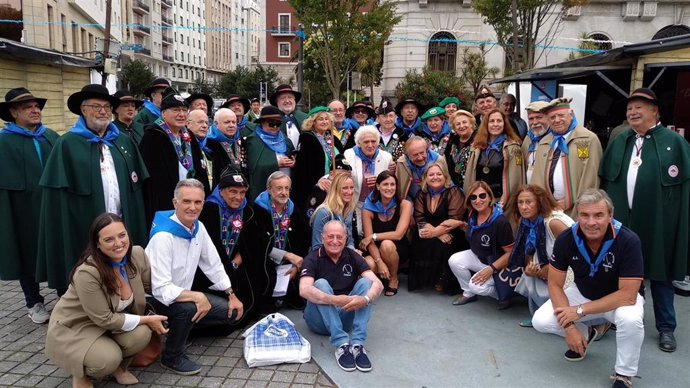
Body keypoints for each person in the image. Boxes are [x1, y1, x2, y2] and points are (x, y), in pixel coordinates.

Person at [600, 88, 690, 353]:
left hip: (659, 223)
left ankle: (666, 328)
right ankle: (628, 318)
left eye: (640, 107)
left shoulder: (675, 142)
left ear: (655, 111)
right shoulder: (620, 140)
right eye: (630, 108)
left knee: (660, 276)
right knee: (624, 274)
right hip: (624, 222)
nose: (633, 112)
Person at [37, 84, 149, 295]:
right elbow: (56, 197)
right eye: (96, 106)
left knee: (122, 264)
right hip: (84, 222)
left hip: (121, 219)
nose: (103, 111)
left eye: (107, 106)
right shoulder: (67, 144)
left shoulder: (122, 141)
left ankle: (125, 299)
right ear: (83, 110)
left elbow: (137, 185)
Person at [532, 189, 645, 388]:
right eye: (584, 215)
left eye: (599, 215)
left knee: (631, 320)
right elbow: (555, 284)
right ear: (577, 216)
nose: (591, 222)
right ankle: (586, 334)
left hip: (618, 300)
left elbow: (628, 295)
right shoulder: (567, 239)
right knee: (541, 321)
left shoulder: (628, 240)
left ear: (610, 215)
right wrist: (569, 328)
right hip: (584, 293)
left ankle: (624, 374)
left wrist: (579, 311)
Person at [45, 213, 168, 388]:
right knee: (106, 359)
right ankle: (82, 375)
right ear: (97, 244)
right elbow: (104, 319)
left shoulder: (137, 254)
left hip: (113, 321)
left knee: (142, 334)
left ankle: (119, 368)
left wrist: (188, 296)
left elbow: (152, 288)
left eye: (122, 235)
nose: (118, 243)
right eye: (109, 239)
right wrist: (148, 319)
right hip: (78, 325)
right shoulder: (87, 273)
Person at [146, 179, 244, 375]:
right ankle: (172, 356)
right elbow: (160, 288)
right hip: (154, 300)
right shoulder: (163, 237)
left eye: (198, 202)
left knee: (231, 313)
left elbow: (213, 264)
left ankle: (178, 328)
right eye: (186, 202)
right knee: (189, 308)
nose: (193, 207)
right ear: (175, 203)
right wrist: (197, 297)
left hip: (183, 295)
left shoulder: (197, 227)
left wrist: (231, 294)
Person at [0, 87, 58, 323]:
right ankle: (33, 301)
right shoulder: (4, 143)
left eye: (36, 106)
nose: (35, 110)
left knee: (58, 250)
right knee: (26, 253)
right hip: (22, 210)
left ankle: (65, 295)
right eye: (28, 107)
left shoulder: (51, 137)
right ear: (14, 112)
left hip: (53, 207)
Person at [299, 220, 384, 372]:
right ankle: (342, 345)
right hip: (318, 321)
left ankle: (357, 345)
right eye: (330, 236)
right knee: (321, 284)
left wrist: (365, 299)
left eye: (339, 237)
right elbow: (304, 290)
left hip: (344, 319)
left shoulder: (353, 256)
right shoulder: (312, 258)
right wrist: (333, 300)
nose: (335, 241)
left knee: (366, 283)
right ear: (322, 237)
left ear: (345, 239)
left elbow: (378, 284)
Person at [194, 167, 257, 328]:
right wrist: (228, 270)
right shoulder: (209, 209)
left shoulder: (247, 211)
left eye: (242, 192)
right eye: (233, 192)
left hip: (234, 265)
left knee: (248, 307)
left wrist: (234, 263)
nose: (238, 197)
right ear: (221, 191)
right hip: (208, 270)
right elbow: (209, 250)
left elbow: (249, 246)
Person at [503, 184, 574, 325]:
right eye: (520, 202)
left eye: (529, 202)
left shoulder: (553, 223)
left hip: (571, 270)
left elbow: (578, 252)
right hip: (550, 266)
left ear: (539, 203)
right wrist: (531, 269)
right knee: (528, 275)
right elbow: (529, 254)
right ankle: (541, 311)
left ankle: (595, 323)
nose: (523, 207)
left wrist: (554, 268)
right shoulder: (527, 223)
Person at [140, 88, 210, 225]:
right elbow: (150, 180)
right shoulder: (153, 136)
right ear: (163, 113)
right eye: (176, 110)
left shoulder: (188, 135)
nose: (181, 114)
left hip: (191, 201)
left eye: (184, 110)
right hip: (165, 203)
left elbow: (200, 167)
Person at [245, 171, 309, 312]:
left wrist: (295, 265)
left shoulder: (292, 208)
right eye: (279, 188)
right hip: (266, 260)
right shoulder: (257, 210)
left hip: (287, 264)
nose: (284, 193)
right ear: (269, 189)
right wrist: (286, 255)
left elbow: (303, 239)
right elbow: (258, 245)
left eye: (287, 188)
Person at [530, 97, 603, 216]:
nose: (557, 120)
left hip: (577, 209)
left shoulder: (588, 139)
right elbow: (537, 179)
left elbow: (591, 179)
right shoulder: (545, 143)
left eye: (561, 115)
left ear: (571, 114)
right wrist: (546, 204)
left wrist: (571, 201)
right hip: (549, 209)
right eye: (552, 117)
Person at [448, 181, 514, 307]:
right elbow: (476, 232)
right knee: (454, 260)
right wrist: (461, 224)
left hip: (497, 264)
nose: (478, 200)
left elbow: (511, 253)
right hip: (480, 258)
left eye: (482, 196)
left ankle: (503, 294)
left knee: (476, 286)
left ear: (490, 198)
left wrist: (491, 269)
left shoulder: (500, 221)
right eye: (473, 197)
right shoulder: (473, 215)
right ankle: (469, 294)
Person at [410, 162, 466, 293]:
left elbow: (455, 218)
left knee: (445, 244)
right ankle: (427, 278)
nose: (435, 177)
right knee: (420, 240)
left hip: (451, 229)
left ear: (445, 177)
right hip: (430, 229)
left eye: (439, 174)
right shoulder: (422, 193)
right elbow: (420, 217)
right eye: (431, 174)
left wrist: (435, 232)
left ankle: (444, 279)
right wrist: (437, 234)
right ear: (425, 178)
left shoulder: (454, 192)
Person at [359, 171, 412, 296]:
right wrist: (379, 262)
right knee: (369, 264)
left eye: (392, 184)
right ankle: (382, 276)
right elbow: (369, 243)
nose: (389, 188)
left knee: (386, 244)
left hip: (397, 247)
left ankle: (393, 278)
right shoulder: (368, 207)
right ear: (378, 186)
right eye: (385, 184)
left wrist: (373, 236)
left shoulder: (405, 204)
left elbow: (399, 234)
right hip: (374, 249)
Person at [464, 108, 525, 205]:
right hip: (479, 201)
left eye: (499, 121)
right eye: (491, 121)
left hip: (500, 202)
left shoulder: (513, 148)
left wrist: (503, 203)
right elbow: (470, 176)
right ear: (486, 125)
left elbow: (515, 181)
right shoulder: (477, 147)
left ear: (504, 124)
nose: (495, 124)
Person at [344, 126, 394, 236]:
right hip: (355, 203)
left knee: (374, 234)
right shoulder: (349, 155)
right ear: (359, 143)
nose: (370, 145)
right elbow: (339, 176)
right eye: (366, 142)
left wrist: (379, 181)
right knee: (356, 233)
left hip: (377, 204)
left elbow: (391, 181)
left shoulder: (386, 157)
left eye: (373, 141)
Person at [292, 106, 344, 211]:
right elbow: (303, 168)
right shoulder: (307, 138)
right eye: (320, 119)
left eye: (326, 119)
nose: (324, 122)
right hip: (317, 188)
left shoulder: (333, 138)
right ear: (313, 122)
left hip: (336, 186)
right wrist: (318, 182)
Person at [244, 105, 295, 201]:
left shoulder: (283, 138)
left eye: (278, 124)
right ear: (262, 123)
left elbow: (292, 153)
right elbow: (253, 167)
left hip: (286, 188)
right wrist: (276, 163)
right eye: (271, 124)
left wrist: (294, 160)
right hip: (265, 189)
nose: (275, 127)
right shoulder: (254, 140)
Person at [310, 172, 358, 251]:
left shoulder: (349, 210)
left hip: (344, 256)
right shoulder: (323, 212)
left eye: (351, 187)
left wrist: (353, 251)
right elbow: (317, 247)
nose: (349, 192)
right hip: (324, 259)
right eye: (345, 188)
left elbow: (349, 241)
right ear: (336, 189)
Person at [395, 136, 448, 201]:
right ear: (408, 156)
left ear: (426, 150)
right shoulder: (402, 163)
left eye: (422, 153)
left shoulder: (439, 160)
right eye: (415, 155)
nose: (420, 157)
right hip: (411, 201)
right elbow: (399, 190)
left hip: (436, 200)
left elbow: (447, 183)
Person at [206, 108, 243, 188]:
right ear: (216, 124)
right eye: (227, 122)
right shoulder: (207, 144)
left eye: (234, 122)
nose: (231, 125)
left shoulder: (240, 141)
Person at [444, 110, 476, 188]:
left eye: (464, 122)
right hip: (455, 186)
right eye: (457, 124)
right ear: (454, 128)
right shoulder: (451, 142)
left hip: (473, 185)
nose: (461, 126)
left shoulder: (478, 141)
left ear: (471, 124)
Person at [522, 101, 551, 183]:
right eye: (531, 119)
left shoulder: (556, 140)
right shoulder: (528, 139)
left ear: (548, 118)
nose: (535, 122)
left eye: (539, 117)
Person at [187, 109, 214, 188]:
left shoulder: (209, 146)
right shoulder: (185, 144)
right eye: (200, 122)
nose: (205, 126)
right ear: (188, 123)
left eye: (206, 123)